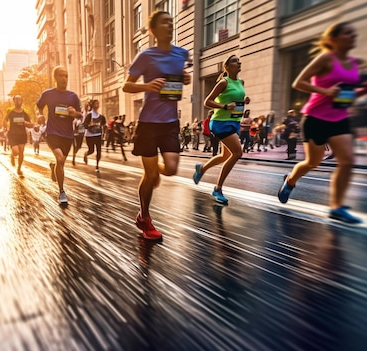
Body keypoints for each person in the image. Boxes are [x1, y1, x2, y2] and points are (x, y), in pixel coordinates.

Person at [278, 22, 364, 224]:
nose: (353, 35)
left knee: (348, 161)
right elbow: (299, 82)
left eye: (354, 32)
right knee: (313, 162)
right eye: (347, 33)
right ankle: (290, 180)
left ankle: (337, 207)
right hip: (316, 117)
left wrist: (364, 91)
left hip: (340, 117)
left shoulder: (354, 62)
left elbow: (347, 92)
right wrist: (325, 91)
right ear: (333, 39)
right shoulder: (325, 59)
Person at [122, 10, 191, 240]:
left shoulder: (182, 53)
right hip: (148, 123)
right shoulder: (146, 56)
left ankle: (154, 173)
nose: (169, 25)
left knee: (170, 168)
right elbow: (126, 86)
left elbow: (179, 75)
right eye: (164, 22)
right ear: (153, 30)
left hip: (170, 121)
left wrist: (184, 77)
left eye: (171, 22)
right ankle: (144, 217)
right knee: (149, 176)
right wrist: (147, 86)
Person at [192, 54, 251, 204]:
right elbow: (207, 101)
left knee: (226, 156)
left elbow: (234, 100)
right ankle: (217, 189)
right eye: (235, 61)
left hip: (234, 122)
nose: (239, 63)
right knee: (237, 152)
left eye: (239, 61)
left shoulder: (241, 82)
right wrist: (224, 106)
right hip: (220, 122)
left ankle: (202, 169)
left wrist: (243, 101)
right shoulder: (223, 82)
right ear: (227, 66)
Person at [36, 66, 82, 204]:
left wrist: (75, 113)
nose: (64, 78)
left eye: (66, 76)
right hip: (52, 132)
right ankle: (62, 192)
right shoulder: (48, 94)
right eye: (61, 75)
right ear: (55, 77)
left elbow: (80, 114)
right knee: (60, 159)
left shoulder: (73, 96)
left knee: (60, 163)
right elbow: (39, 106)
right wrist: (40, 115)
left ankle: (53, 167)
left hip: (67, 135)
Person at [3, 95, 33, 176]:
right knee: (16, 152)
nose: (18, 100)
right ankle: (12, 155)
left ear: (22, 100)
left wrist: (29, 124)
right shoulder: (10, 111)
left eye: (20, 99)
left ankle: (19, 168)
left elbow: (29, 123)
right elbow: (5, 120)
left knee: (21, 152)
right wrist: (5, 126)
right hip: (12, 134)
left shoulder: (25, 112)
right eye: (16, 99)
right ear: (14, 101)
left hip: (22, 134)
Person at [82, 99, 106, 172]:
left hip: (98, 135)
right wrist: (90, 126)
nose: (97, 105)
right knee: (91, 150)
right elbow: (84, 125)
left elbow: (103, 125)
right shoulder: (90, 115)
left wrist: (103, 133)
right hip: (89, 135)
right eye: (96, 103)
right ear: (92, 105)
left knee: (99, 150)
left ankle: (97, 166)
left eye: (98, 103)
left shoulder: (101, 116)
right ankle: (86, 154)